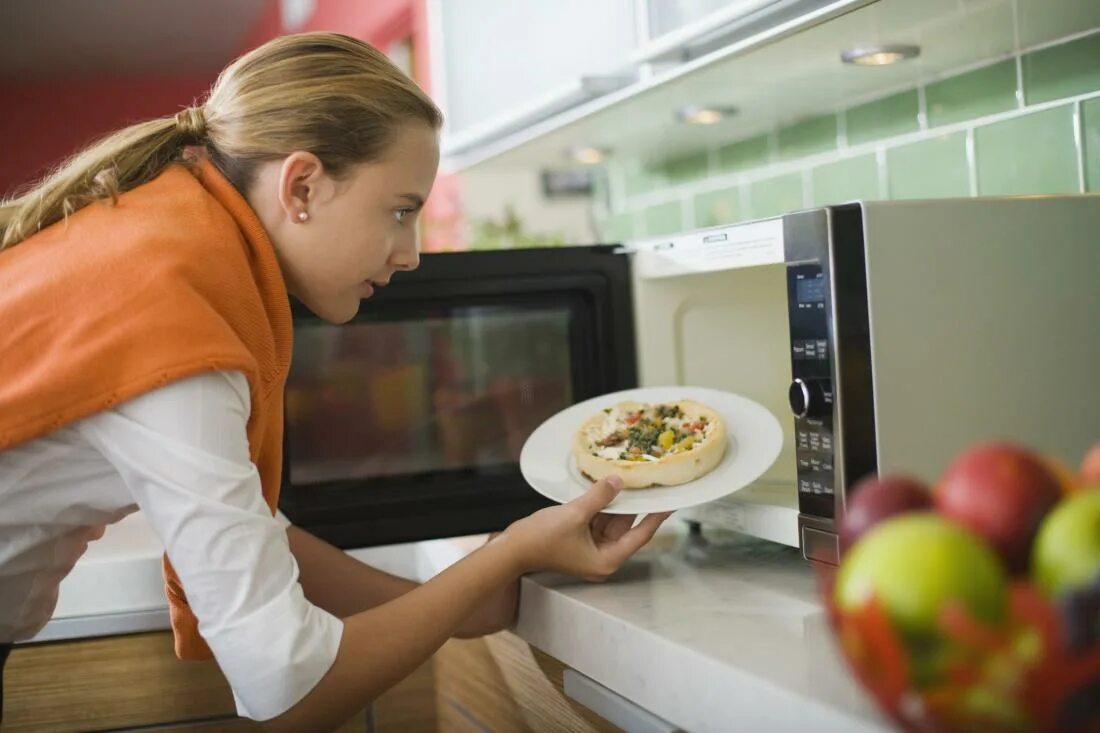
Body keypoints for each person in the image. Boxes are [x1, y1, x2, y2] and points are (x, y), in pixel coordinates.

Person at [0, 32, 671, 731]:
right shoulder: (174, 318)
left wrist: (476, 593)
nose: (411, 254)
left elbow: (260, 532)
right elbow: (291, 693)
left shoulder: (177, 242)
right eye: (401, 210)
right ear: (301, 186)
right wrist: (510, 552)